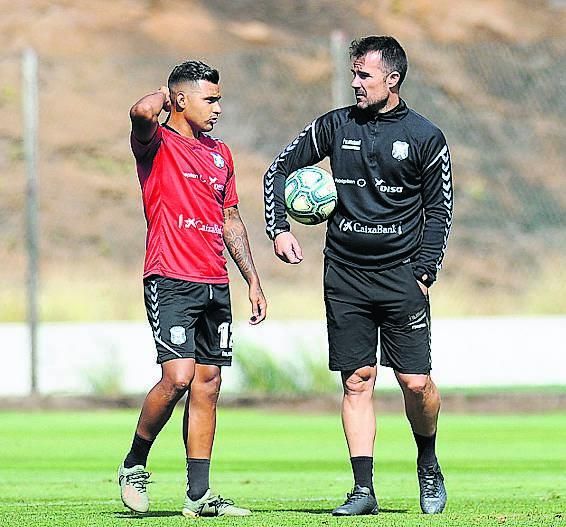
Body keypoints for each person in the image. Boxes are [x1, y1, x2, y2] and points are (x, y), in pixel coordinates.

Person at [263, 36, 452, 516]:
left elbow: (440, 211)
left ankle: (427, 463)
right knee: (357, 381)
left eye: (363, 75)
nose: (354, 83)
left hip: (401, 278)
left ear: (392, 79)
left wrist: (424, 273)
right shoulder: (334, 125)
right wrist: (279, 229)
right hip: (345, 276)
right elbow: (277, 171)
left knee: (415, 383)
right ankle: (363, 490)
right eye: (353, 74)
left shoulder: (426, 136)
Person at [118, 60, 267, 517]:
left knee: (208, 384)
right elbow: (141, 112)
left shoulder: (220, 153)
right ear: (181, 100)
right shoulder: (157, 143)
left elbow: (231, 218)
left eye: (219, 98)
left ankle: (199, 496)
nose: (219, 108)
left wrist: (253, 279)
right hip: (170, 276)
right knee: (177, 377)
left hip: (214, 280)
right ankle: (134, 464)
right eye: (211, 99)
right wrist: (167, 94)